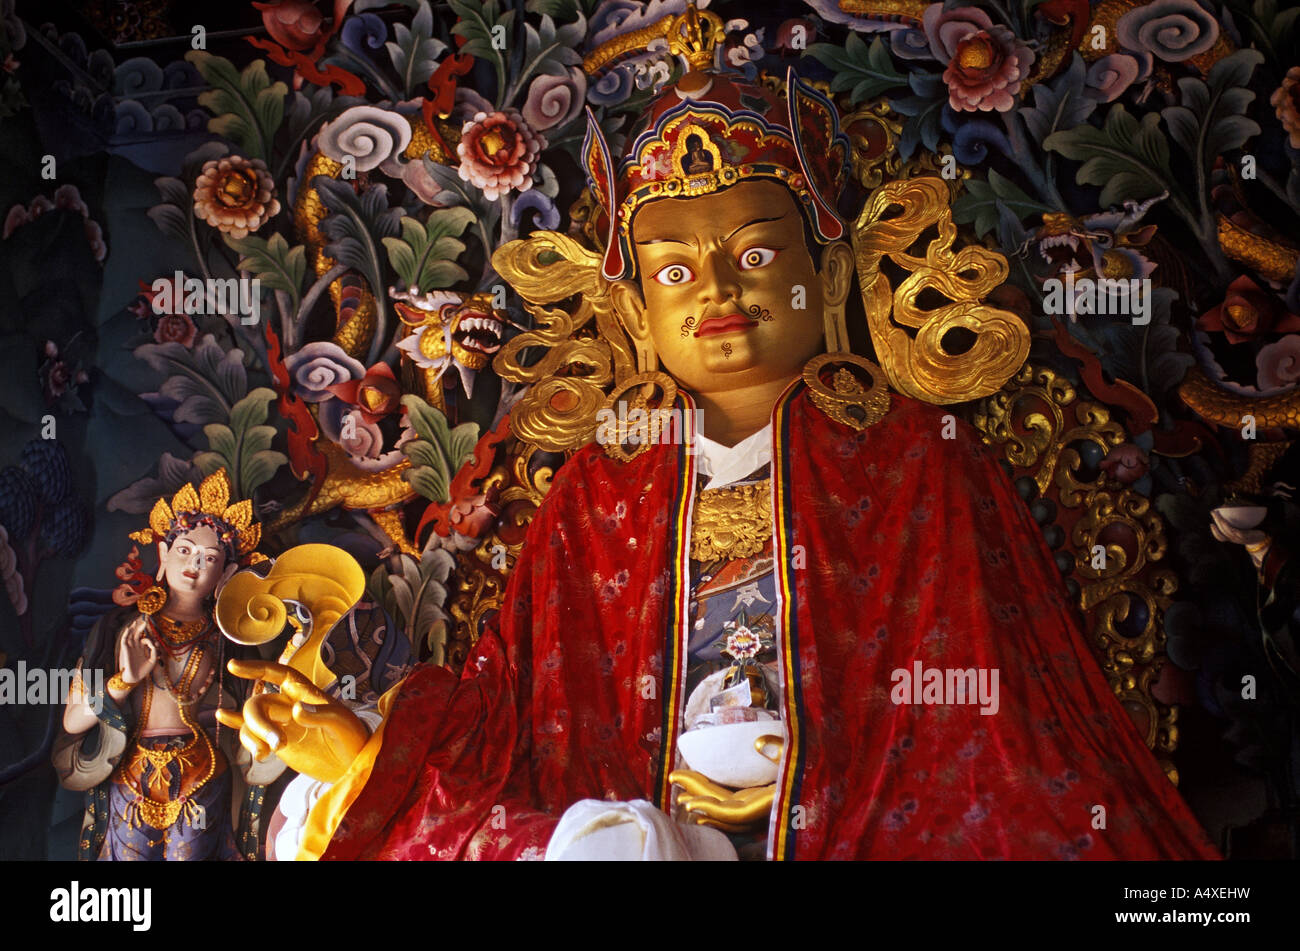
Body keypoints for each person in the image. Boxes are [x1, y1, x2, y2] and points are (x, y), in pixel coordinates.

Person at [219, 59, 1220, 861]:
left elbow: (1002, 740)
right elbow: (509, 725)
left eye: (753, 257)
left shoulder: (913, 460)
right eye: (673, 270)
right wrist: (359, 754)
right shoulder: (601, 490)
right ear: (631, 309)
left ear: (827, 275)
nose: (715, 293)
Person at [55, 470, 284, 860]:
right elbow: (72, 721)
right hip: (130, 773)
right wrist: (124, 682)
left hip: (203, 775)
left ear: (225, 574)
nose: (194, 564)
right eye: (184, 549)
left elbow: (262, 718)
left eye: (209, 558)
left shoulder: (232, 639)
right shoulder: (120, 629)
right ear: (162, 555)